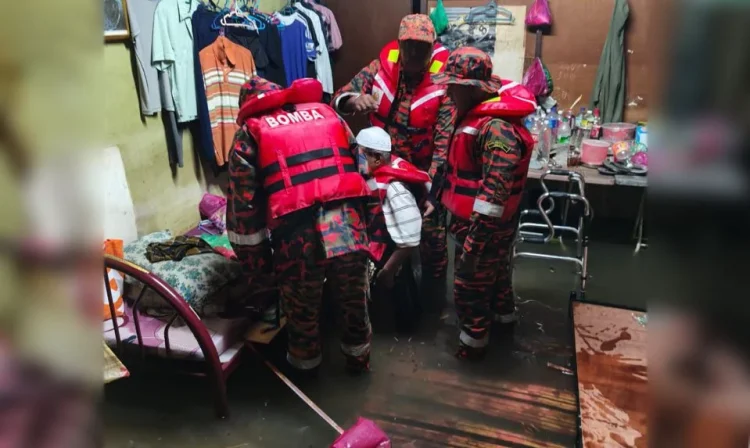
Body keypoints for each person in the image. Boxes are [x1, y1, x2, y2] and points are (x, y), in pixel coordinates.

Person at [226, 76, 373, 375]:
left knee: (302, 314)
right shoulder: (327, 113)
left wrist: (259, 271)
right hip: (348, 225)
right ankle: (358, 361)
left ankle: (307, 371)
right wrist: (370, 227)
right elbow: (363, 170)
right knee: (354, 301)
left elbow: (245, 214)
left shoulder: (248, 133)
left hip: (298, 237)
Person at [332, 14, 453, 289]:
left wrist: (433, 192)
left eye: (422, 47)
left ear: (433, 47)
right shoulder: (379, 68)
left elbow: (444, 144)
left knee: (432, 240)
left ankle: (433, 297)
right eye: (409, 45)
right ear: (399, 44)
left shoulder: (443, 80)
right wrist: (354, 100)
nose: (415, 53)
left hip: (423, 173)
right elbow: (339, 97)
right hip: (382, 168)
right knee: (381, 231)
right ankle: (385, 287)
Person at [431, 47, 537, 359]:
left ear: (472, 88)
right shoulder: (476, 117)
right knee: (498, 277)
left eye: (453, 85)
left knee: (470, 287)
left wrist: (473, 248)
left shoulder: (495, 129)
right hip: (489, 229)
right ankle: (503, 326)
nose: (448, 92)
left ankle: (473, 349)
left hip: (483, 230)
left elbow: (494, 197)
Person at [357, 126, 430, 332]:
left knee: (398, 304)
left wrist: (387, 272)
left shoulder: (395, 188)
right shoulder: (381, 172)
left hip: (392, 257)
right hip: (389, 250)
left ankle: (403, 333)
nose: (357, 160)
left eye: (360, 156)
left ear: (377, 159)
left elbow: (410, 238)